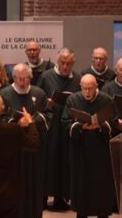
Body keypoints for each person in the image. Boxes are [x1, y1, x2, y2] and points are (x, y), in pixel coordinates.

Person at [63, 75, 117, 218]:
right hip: (80, 151)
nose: (87, 92)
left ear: (96, 86)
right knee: (82, 187)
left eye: (90, 88)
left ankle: (103, 213)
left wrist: (101, 125)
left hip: (101, 151)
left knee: (101, 187)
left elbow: (114, 123)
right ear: (80, 86)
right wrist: (80, 126)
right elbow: (65, 123)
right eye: (84, 88)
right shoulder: (73, 100)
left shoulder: (106, 100)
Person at [36, 47, 81, 210]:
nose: (65, 66)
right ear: (57, 61)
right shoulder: (46, 76)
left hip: (67, 126)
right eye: (62, 62)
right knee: (48, 161)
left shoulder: (77, 78)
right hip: (50, 127)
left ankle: (61, 197)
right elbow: (38, 98)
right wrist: (47, 103)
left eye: (69, 63)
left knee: (64, 161)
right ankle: (42, 197)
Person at [7, 63, 50, 218]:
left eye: (26, 78)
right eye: (19, 78)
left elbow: (47, 116)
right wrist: (18, 123)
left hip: (34, 151)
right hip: (13, 151)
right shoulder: (5, 94)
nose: (23, 82)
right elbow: (1, 119)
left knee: (34, 184)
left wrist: (31, 121)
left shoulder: (39, 93)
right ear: (14, 78)